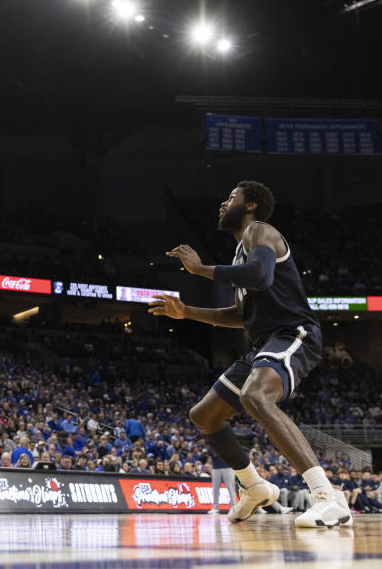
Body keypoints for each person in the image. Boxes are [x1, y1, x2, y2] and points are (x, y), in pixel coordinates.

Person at [150, 180, 351, 528]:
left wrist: (200, 271)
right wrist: (187, 313)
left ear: (251, 205)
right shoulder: (239, 254)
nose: (222, 203)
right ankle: (254, 487)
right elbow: (239, 316)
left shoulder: (261, 231)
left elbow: (261, 276)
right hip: (263, 343)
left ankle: (327, 497)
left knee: (255, 397)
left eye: (230, 198)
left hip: (293, 334)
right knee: (204, 415)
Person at [208, 448, 237, 514]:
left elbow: (231, 453)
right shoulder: (211, 444)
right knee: (215, 489)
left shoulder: (228, 442)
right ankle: (215, 508)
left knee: (231, 489)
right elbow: (215, 454)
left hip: (228, 468)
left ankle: (233, 508)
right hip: (216, 468)